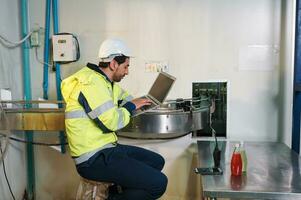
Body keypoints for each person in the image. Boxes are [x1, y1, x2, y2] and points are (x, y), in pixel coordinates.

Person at [61, 38, 168, 200]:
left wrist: (142, 102)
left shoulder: (105, 82)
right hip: (92, 158)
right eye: (126, 67)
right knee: (159, 183)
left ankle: (114, 193)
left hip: (106, 148)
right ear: (113, 64)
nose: (127, 72)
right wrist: (131, 106)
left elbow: (125, 98)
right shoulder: (91, 83)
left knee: (156, 162)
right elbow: (112, 122)